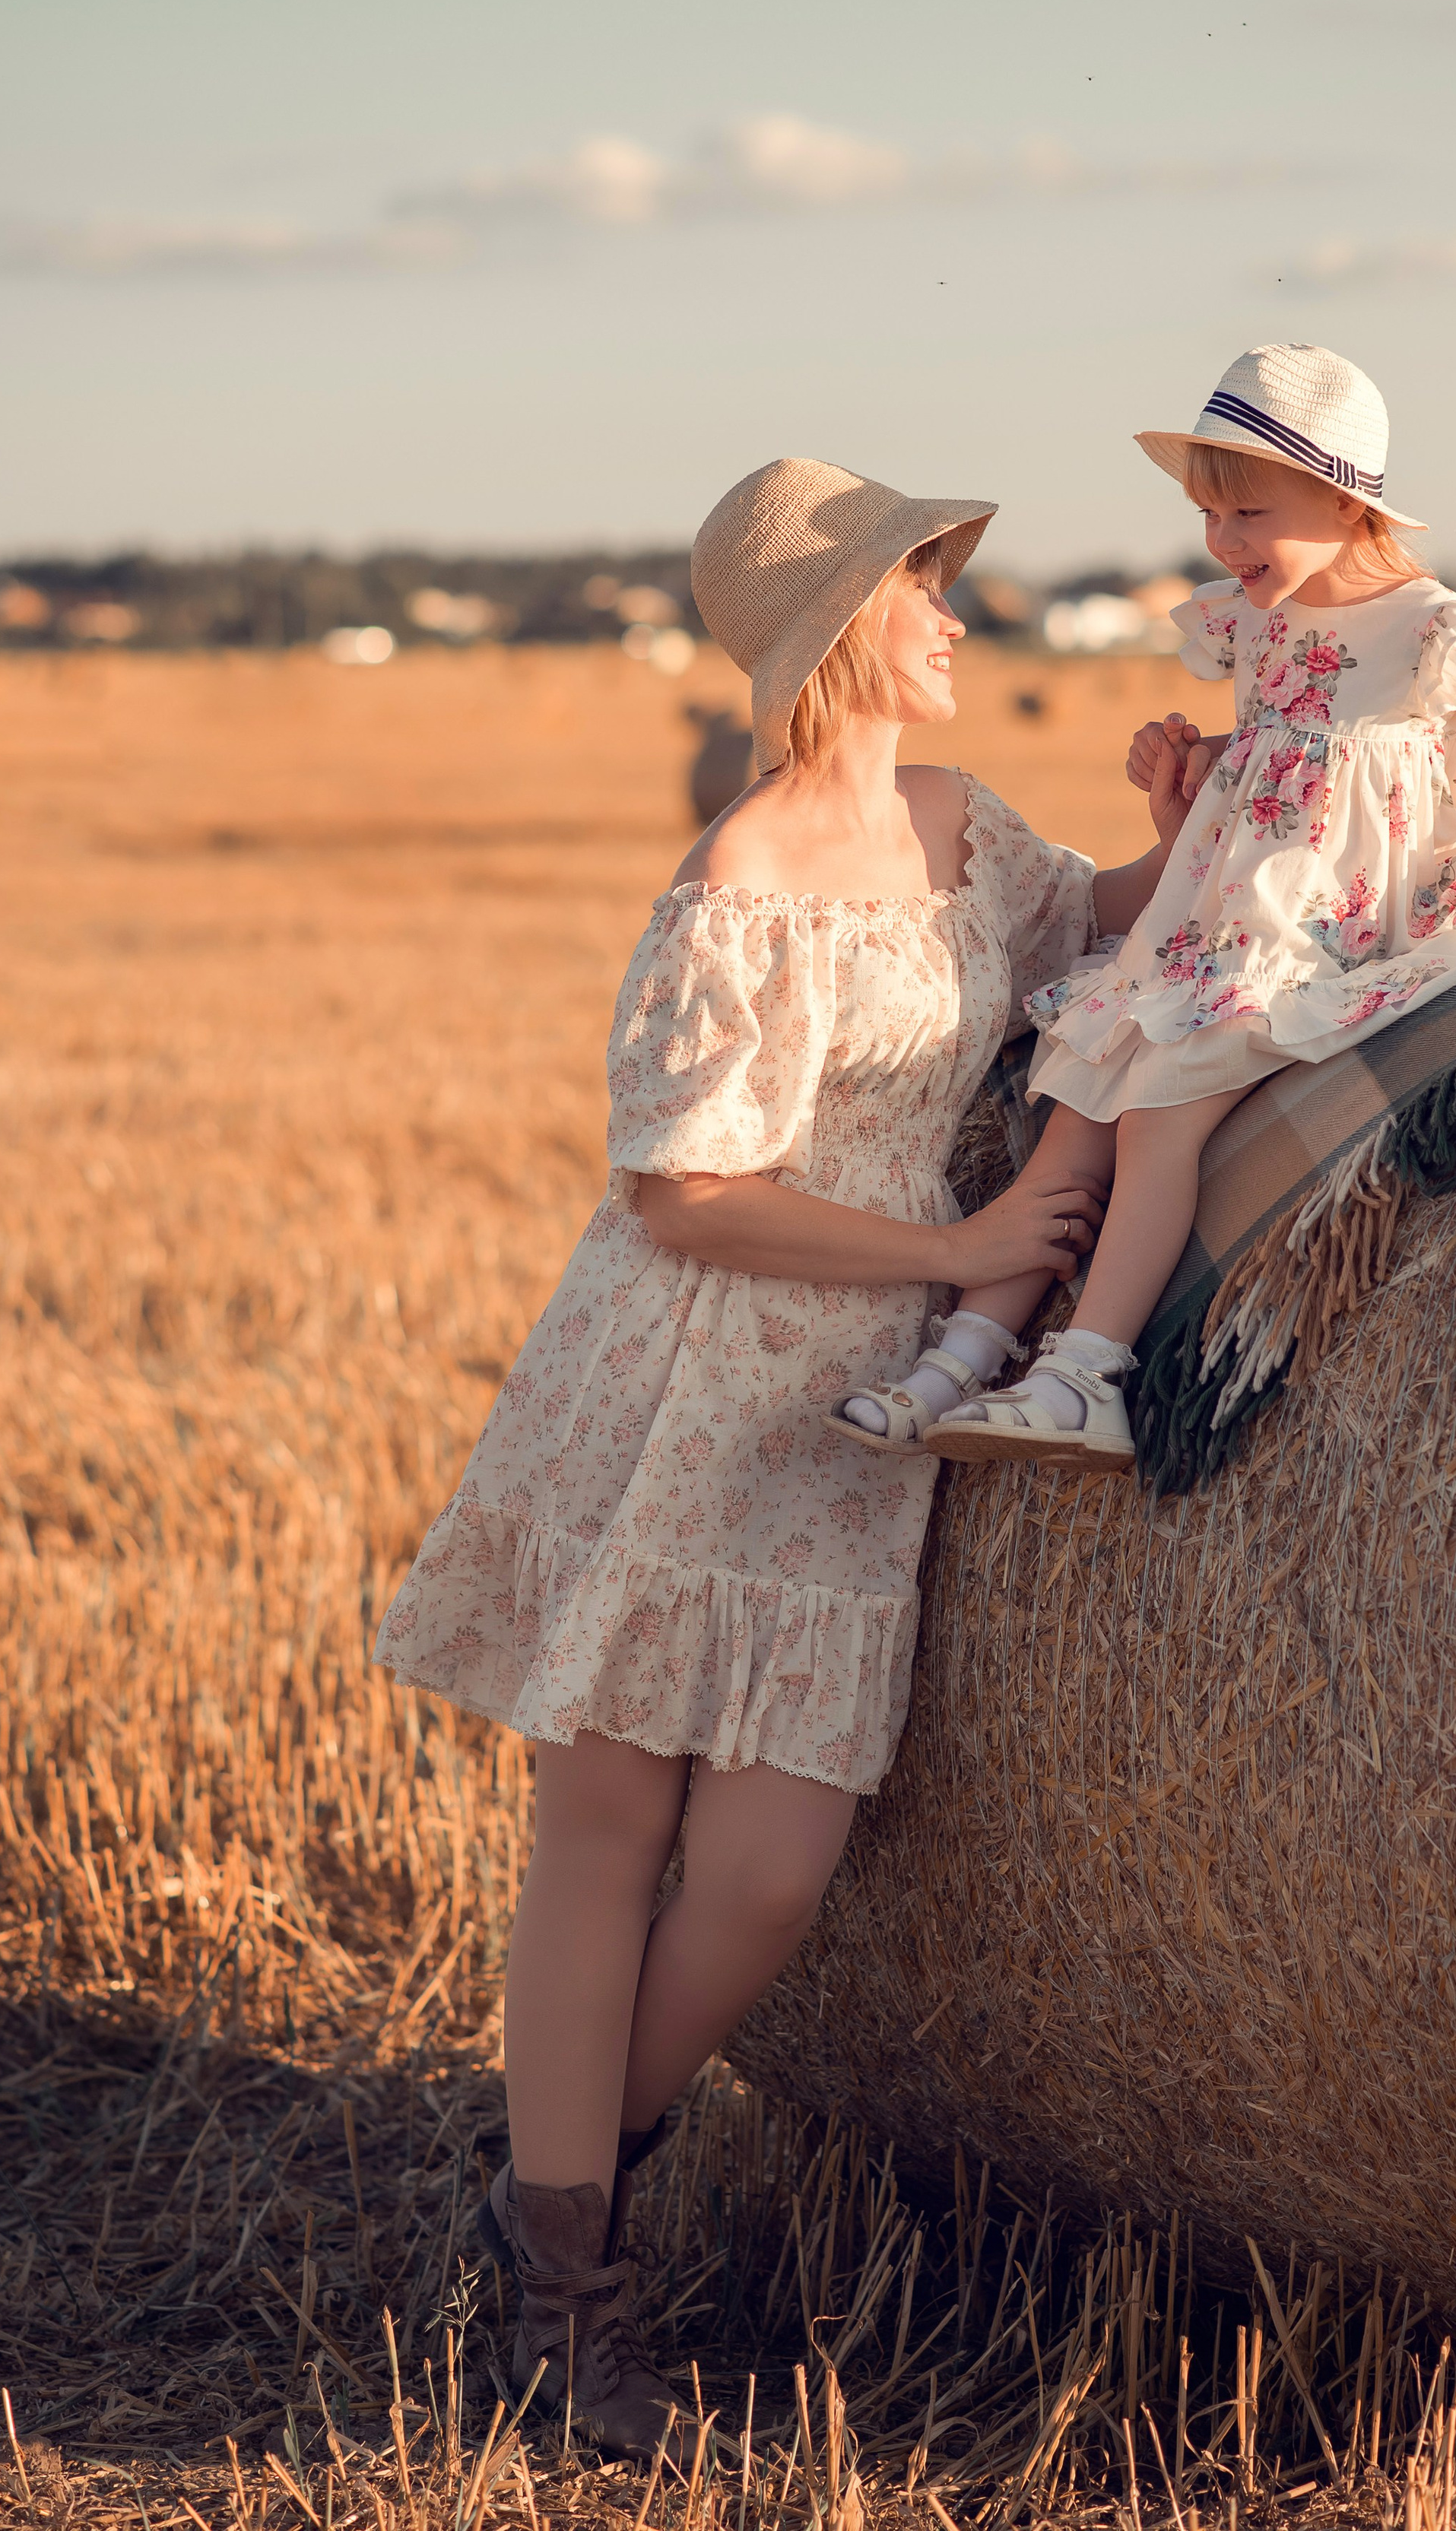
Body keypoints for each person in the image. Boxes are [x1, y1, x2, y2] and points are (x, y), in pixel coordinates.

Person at [373, 455, 1196, 2451]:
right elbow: (684, 1193)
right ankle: (574, 2295)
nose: (958, 617)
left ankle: (543, 2192)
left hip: (845, 1427)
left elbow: (1099, 925)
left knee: (763, 1877)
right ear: (839, 631)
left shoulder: (958, 827)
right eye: (927, 589)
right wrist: (962, 1251)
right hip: (682, 1391)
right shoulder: (738, 882)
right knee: (609, 1834)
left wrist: (1212, 824)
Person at [916, 344, 1456, 1470]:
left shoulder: (1431, 624)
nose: (1223, 543)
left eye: (1247, 514)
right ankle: (963, 1356)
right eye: (1208, 517)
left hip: (1356, 913)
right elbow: (1287, 764)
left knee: (1159, 1112)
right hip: (1245, 905)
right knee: (1080, 1084)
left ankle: (1087, 1370)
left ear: (1343, 502)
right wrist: (1181, 770)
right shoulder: (1254, 622)